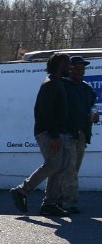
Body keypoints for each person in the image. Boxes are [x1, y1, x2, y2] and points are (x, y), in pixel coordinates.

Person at [8, 53, 75, 217]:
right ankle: (22, 191)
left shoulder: (58, 83)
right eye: (68, 64)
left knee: (60, 166)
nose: (70, 67)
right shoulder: (50, 84)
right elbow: (46, 112)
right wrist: (54, 135)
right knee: (53, 165)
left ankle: (50, 204)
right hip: (48, 133)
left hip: (58, 132)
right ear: (60, 65)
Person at [59, 56, 98, 214]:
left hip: (82, 134)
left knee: (73, 168)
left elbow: (92, 107)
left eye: (83, 68)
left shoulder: (86, 88)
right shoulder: (62, 85)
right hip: (67, 133)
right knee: (70, 169)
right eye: (77, 68)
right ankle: (69, 202)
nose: (80, 71)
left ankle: (58, 199)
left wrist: (95, 114)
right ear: (70, 69)